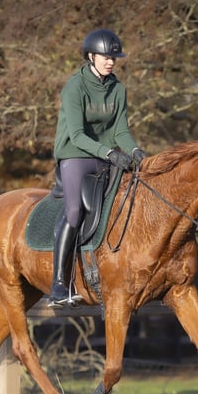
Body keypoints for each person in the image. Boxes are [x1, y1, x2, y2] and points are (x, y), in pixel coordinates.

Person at [48, 28, 147, 308]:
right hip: (74, 155)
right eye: (105, 56)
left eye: (114, 57)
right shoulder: (74, 86)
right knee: (75, 210)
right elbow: (77, 135)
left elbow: (121, 132)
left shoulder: (118, 88)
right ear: (91, 56)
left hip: (105, 156)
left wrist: (135, 150)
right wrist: (109, 153)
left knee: (128, 201)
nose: (111, 61)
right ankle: (57, 284)